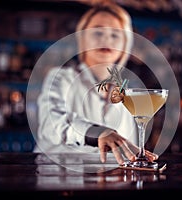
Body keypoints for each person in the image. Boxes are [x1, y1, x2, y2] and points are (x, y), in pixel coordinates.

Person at [34, 2, 158, 165]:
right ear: (82, 40)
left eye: (115, 35)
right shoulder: (60, 77)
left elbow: (126, 147)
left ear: (124, 45)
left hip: (111, 184)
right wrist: (96, 132)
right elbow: (50, 126)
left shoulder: (125, 92)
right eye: (97, 32)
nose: (106, 39)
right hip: (59, 178)